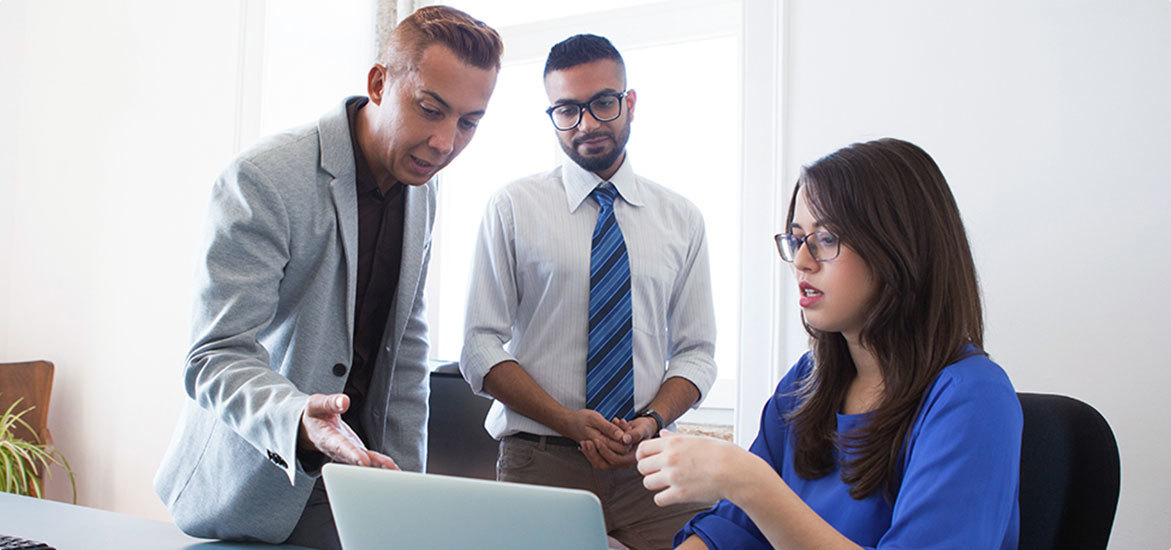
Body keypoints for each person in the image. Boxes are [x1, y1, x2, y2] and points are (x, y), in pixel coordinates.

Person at [153, 6, 501, 548]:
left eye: (468, 123)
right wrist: (299, 419)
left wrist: (409, 495)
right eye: (430, 109)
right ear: (379, 83)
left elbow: (406, 347)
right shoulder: (264, 177)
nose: (444, 142)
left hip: (361, 481)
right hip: (261, 479)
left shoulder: (424, 189)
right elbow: (215, 355)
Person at [635, 138, 1022, 549]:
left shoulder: (974, 398)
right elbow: (733, 532)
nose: (802, 262)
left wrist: (747, 481)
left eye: (827, 238)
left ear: (899, 249)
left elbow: (754, 499)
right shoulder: (807, 380)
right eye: (797, 239)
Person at [459, 34, 718, 549]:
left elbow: (697, 353)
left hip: (648, 461)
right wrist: (568, 422)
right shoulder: (512, 207)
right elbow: (478, 346)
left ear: (630, 103)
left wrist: (651, 421)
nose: (587, 124)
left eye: (603, 103)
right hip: (542, 459)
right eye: (567, 110)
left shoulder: (681, 218)